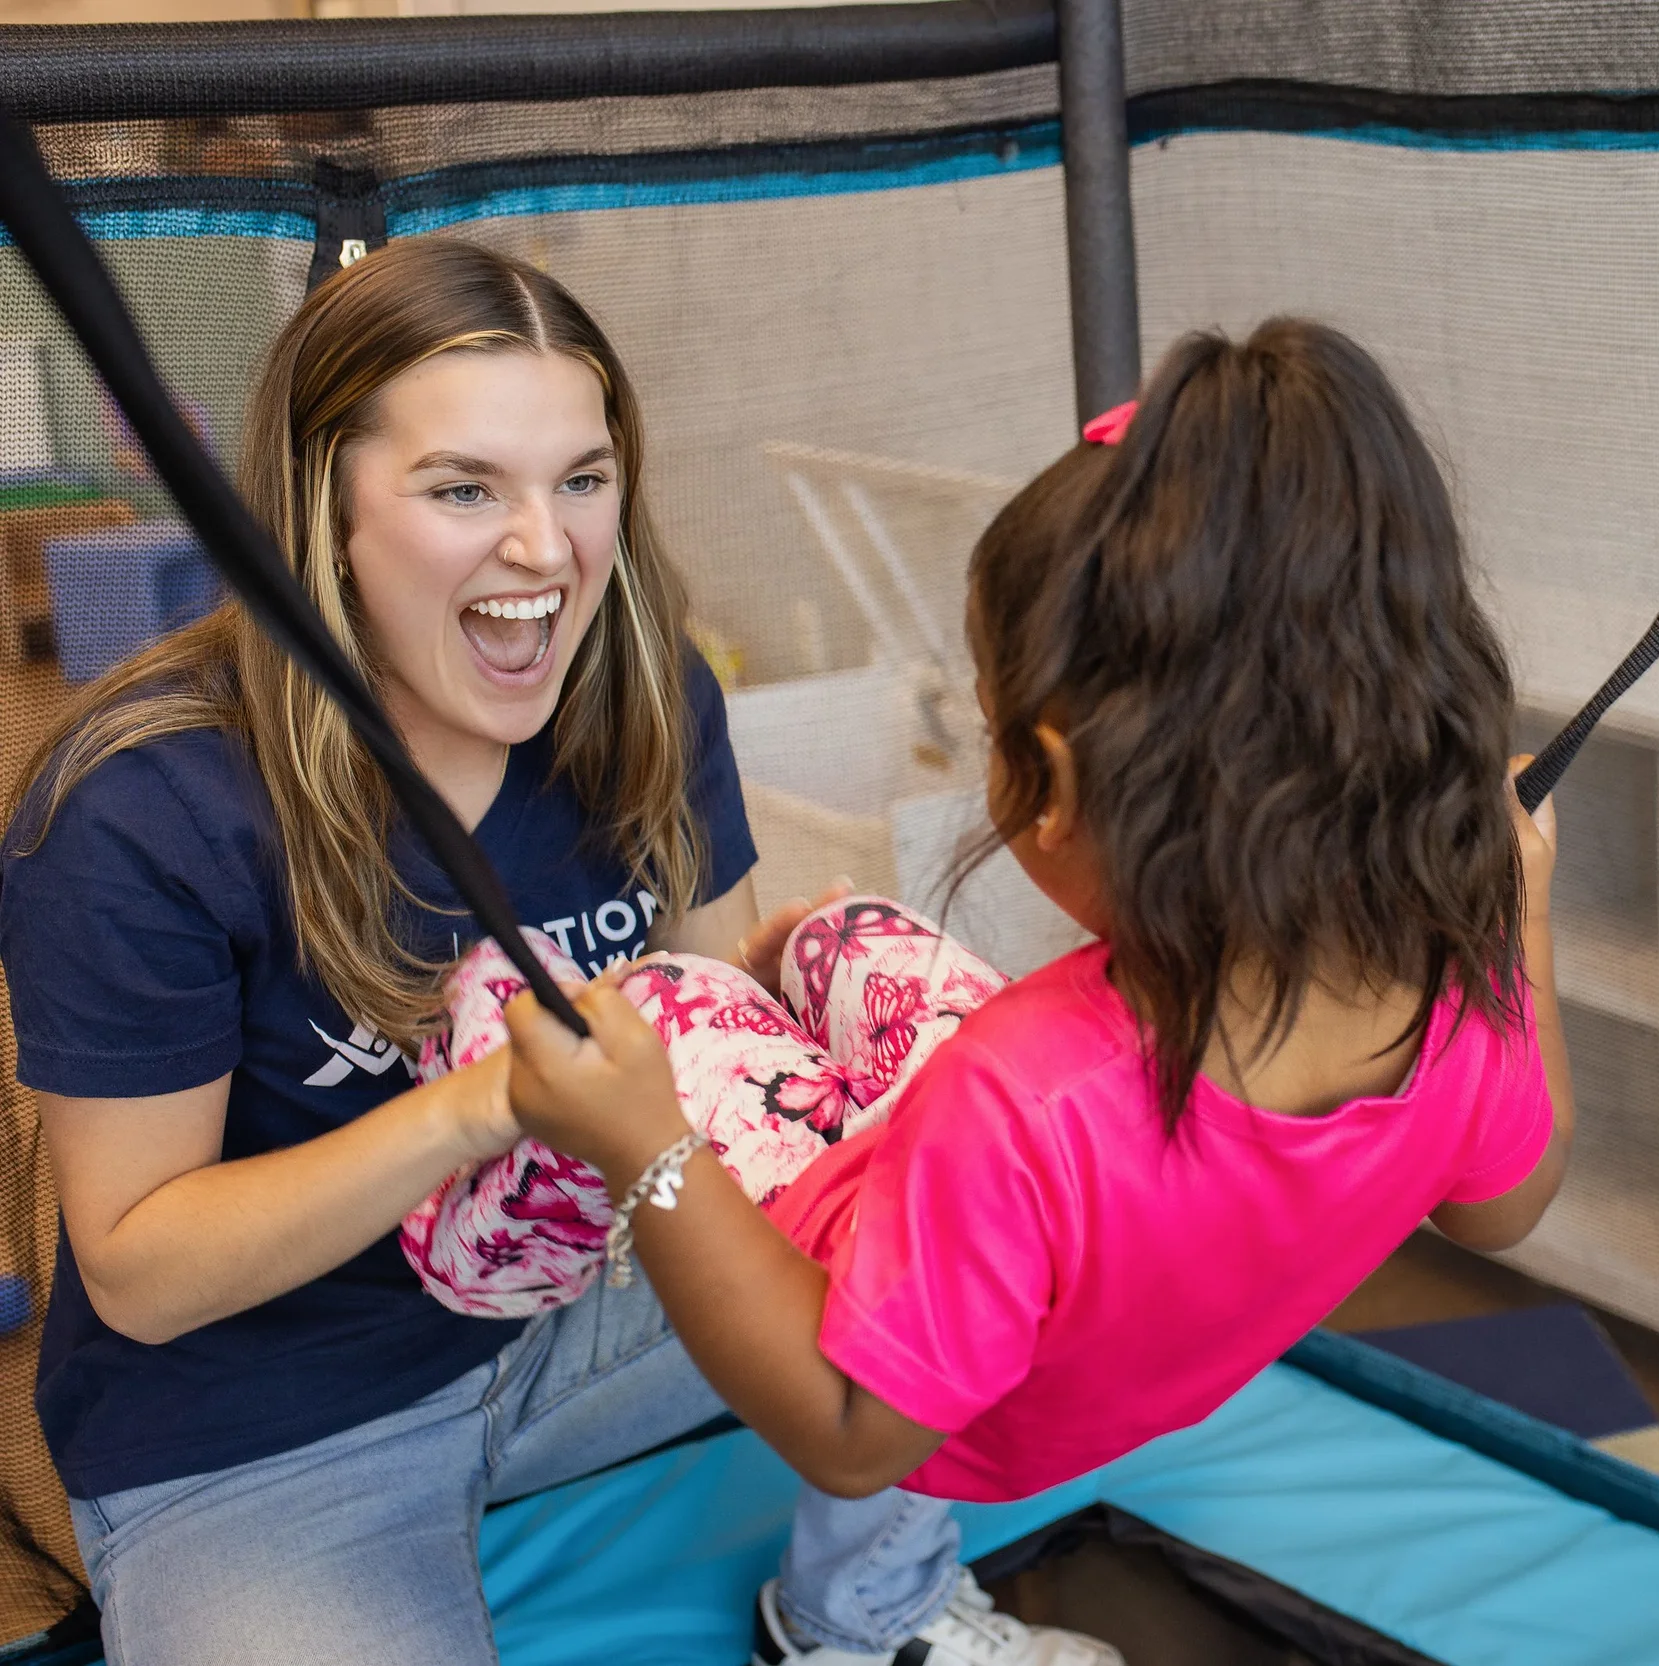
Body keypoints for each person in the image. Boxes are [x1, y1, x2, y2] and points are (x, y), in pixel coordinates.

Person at [0, 237, 1098, 1666]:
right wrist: (482, 1104)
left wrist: (872, 1005)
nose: (546, 548)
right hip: (266, 1422)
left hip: (585, 1306)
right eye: (466, 488)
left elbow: (730, 1033)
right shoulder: (146, 801)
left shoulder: (642, 688)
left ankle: (865, 1609)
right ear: (323, 508)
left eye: (582, 479)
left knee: (968, 1187)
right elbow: (141, 1266)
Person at [497, 318, 1577, 1665]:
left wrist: (645, 1149)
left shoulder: (1025, 1098)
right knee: (849, 933)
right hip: (1024, 1216)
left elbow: (851, 1432)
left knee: (655, 1006)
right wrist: (1516, 905)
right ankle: (787, 983)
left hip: (901, 1314)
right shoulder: (1447, 988)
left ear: (1052, 781)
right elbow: (1506, 1201)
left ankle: (849, 1620)